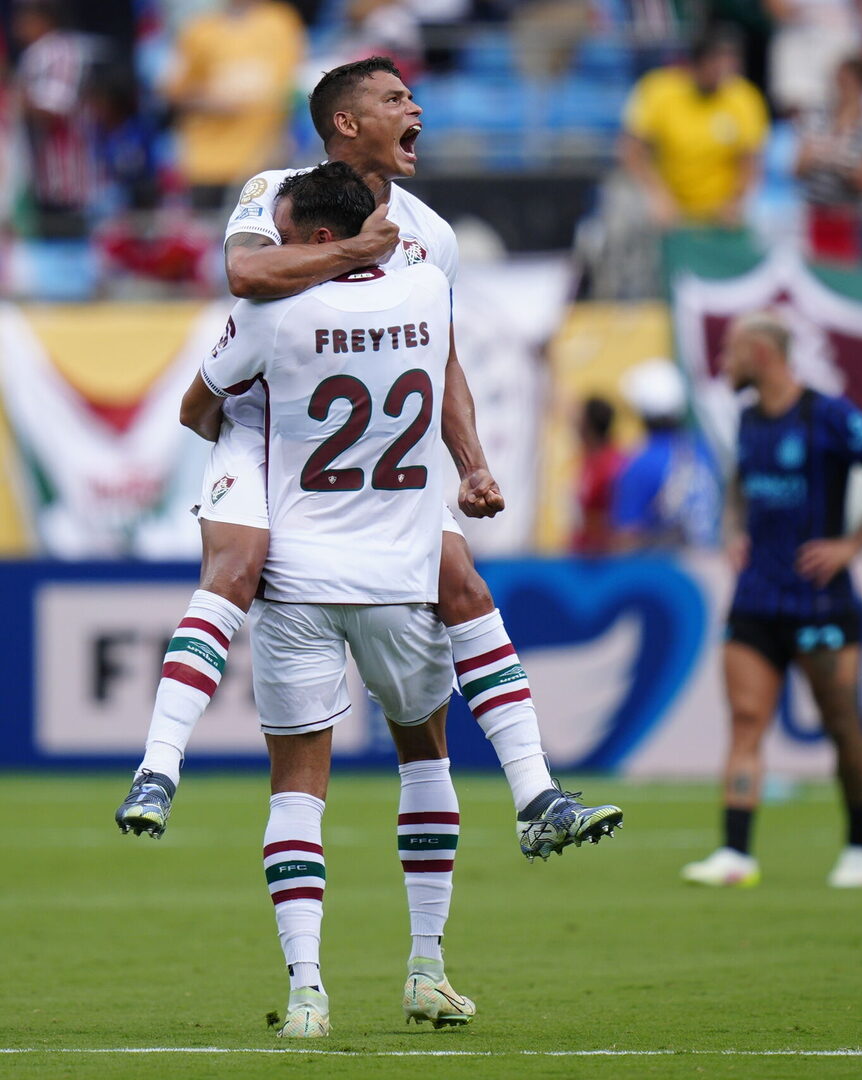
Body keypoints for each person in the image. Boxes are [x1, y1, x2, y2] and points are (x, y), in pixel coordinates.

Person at [115, 57, 622, 864]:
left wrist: (472, 462)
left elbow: (442, 358)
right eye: (394, 98)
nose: (415, 107)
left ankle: (537, 794)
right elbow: (245, 273)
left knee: (462, 583)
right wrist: (355, 252)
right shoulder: (275, 190)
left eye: (412, 95)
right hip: (265, 424)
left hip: (370, 448)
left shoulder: (433, 235)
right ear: (346, 123)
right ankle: (156, 770)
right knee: (238, 565)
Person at [177, 162, 475, 1038]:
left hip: (299, 570)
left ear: (309, 236)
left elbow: (198, 406)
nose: (410, 108)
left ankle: (307, 990)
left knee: (297, 789)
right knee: (426, 757)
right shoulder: (425, 282)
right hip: (396, 570)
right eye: (395, 98)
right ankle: (427, 966)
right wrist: (474, 467)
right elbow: (447, 377)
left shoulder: (275, 312)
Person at [681, 312, 862, 889]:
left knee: (842, 724)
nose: (723, 363)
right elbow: (739, 482)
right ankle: (736, 853)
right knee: (746, 721)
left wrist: (852, 544)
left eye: (732, 352)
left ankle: (860, 845)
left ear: (761, 353)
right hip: (756, 598)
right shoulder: (747, 418)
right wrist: (734, 529)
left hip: (820, 603)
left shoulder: (826, 414)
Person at [619, 27, 770, 230]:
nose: (724, 70)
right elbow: (632, 151)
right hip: (666, 201)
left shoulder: (744, 98)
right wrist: (656, 195)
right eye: (717, 61)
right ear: (698, 62)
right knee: (627, 202)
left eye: (730, 62)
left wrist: (735, 202)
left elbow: (750, 163)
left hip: (719, 208)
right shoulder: (659, 90)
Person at [162, 0, 307, 212]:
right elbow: (173, 92)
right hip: (207, 164)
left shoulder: (281, 22)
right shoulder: (199, 28)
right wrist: (211, 100)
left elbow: (291, 86)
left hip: (262, 161)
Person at [612, 358, 723, 550]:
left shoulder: (640, 465)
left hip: (663, 567)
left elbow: (627, 539)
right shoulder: (702, 451)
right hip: (709, 562)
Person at [794, 54, 862, 265]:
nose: (840, 87)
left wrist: (831, 157)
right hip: (814, 215)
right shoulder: (817, 116)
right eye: (838, 80)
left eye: (847, 81)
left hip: (850, 221)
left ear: (861, 84)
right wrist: (836, 156)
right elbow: (798, 166)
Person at [11, 0, 96, 239]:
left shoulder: (59, 51)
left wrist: (15, 98)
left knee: (66, 243)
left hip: (65, 175)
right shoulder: (35, 53)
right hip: (39, 175)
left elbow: (57, 108)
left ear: (42, 20)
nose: (17, 25)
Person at [766, 0, 862, 116]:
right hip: (799, 41)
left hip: (842, 39)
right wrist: (812, 15)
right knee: (798, 105)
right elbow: (776, 8)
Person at [572, 396, 626, 556]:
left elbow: (613, 516)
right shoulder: (588, 460)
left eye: (580, 419)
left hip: (600, 556)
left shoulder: (611, 464)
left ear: (588, 424)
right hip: (583, 552)